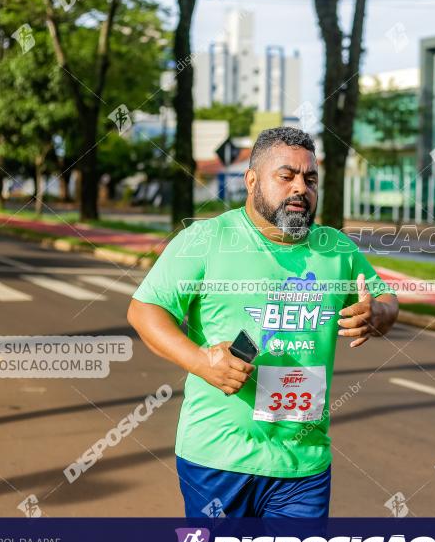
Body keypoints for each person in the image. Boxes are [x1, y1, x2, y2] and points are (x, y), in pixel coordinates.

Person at [127, 127, 399, 518]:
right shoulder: (206, 239)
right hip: (218, 457)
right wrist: (202, 362)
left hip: (303, 461)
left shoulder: (336, 249)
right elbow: (145, 310)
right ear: (252, 181)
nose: (300, 188)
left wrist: (379, 314)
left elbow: (386, 300)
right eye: (286, 176)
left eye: (310, 179)